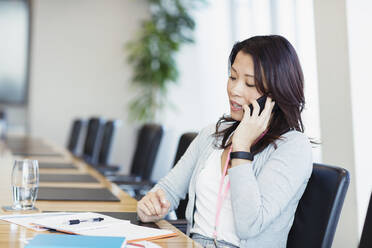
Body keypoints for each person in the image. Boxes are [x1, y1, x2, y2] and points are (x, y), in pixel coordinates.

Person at [137, 35, 313, 248]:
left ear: (276, 93)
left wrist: (241, 148)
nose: (235, 90)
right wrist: (150, 206)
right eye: (232, 77)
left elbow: (250, 224)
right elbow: (168, 190)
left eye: (250, 83)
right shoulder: (213, 134)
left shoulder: (293, 147)